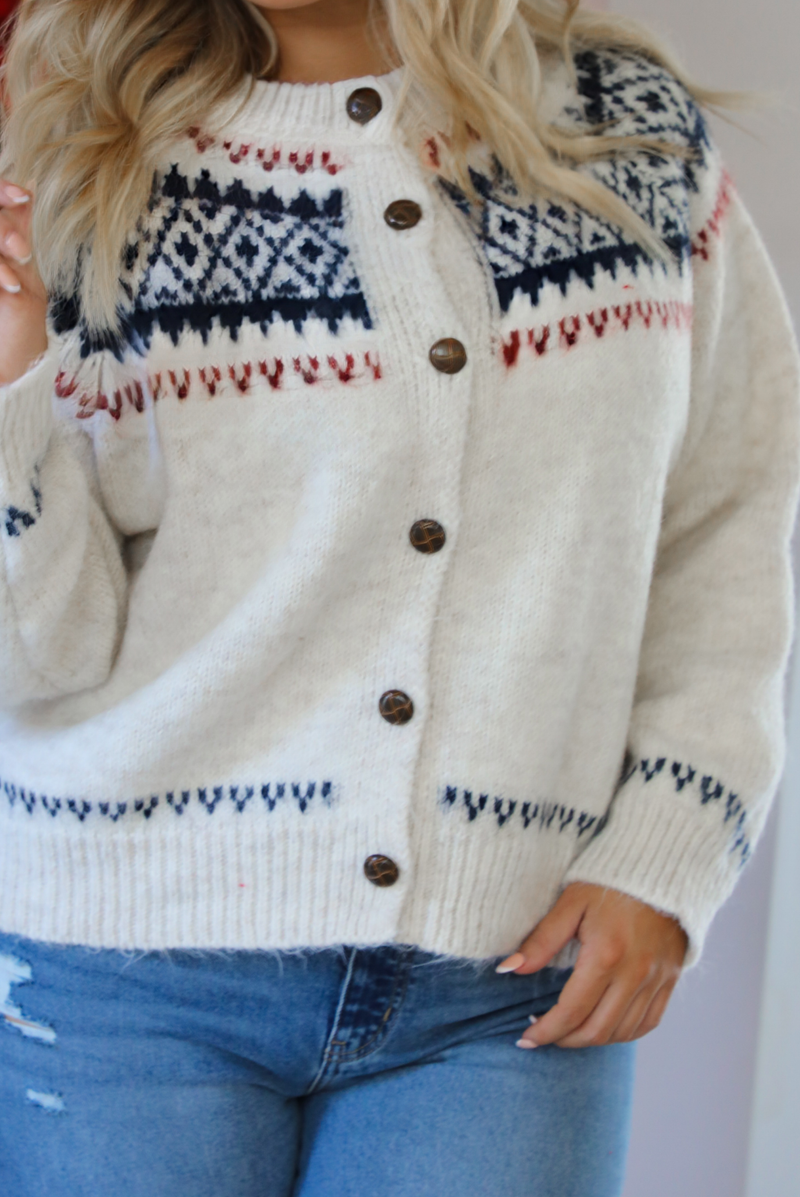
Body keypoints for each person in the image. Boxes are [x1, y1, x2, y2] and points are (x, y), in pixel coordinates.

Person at [0, 0, 796, 1193]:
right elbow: (36, 659)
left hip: (506, 988)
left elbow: (725, 513)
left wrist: (668, 847)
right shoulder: (78, 159)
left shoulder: (626, 134)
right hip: (120, 979)